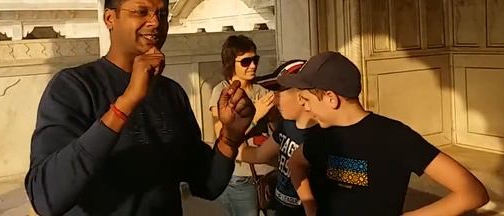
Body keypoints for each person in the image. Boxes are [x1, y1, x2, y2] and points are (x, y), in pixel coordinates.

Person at [25, 0, 256, 216]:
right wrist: (127, 102)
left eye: (162, 14)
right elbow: (45, 196)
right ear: (109, 18)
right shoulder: (75, 87)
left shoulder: (171, 93)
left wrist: (230, 138)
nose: (155, 22)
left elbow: (207, 185)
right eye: (140, 12)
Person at [285, 51, 489, 216]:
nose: (303, 106)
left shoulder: (394, 137)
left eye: (306, 99)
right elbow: (295, 163)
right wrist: (310, 208)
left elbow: (472, 193)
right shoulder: (320, 135)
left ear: (331, 98)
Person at [208, 35, 277, 216]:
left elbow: (277, 132)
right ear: (231, 63)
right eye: (246, 61)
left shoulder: (263, 91)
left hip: (269, 170)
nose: (253, 65)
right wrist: (256, 115)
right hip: (241, 176)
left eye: (255, 60)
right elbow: (221, 134)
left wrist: (273, 116)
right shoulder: (222, 92)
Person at [239, 59, 316, 216]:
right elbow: (259, 154)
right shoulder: (286, 126)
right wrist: (233, 140)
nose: (274, 100)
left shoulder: (321, 135)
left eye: (278, 93)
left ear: (302, 96)